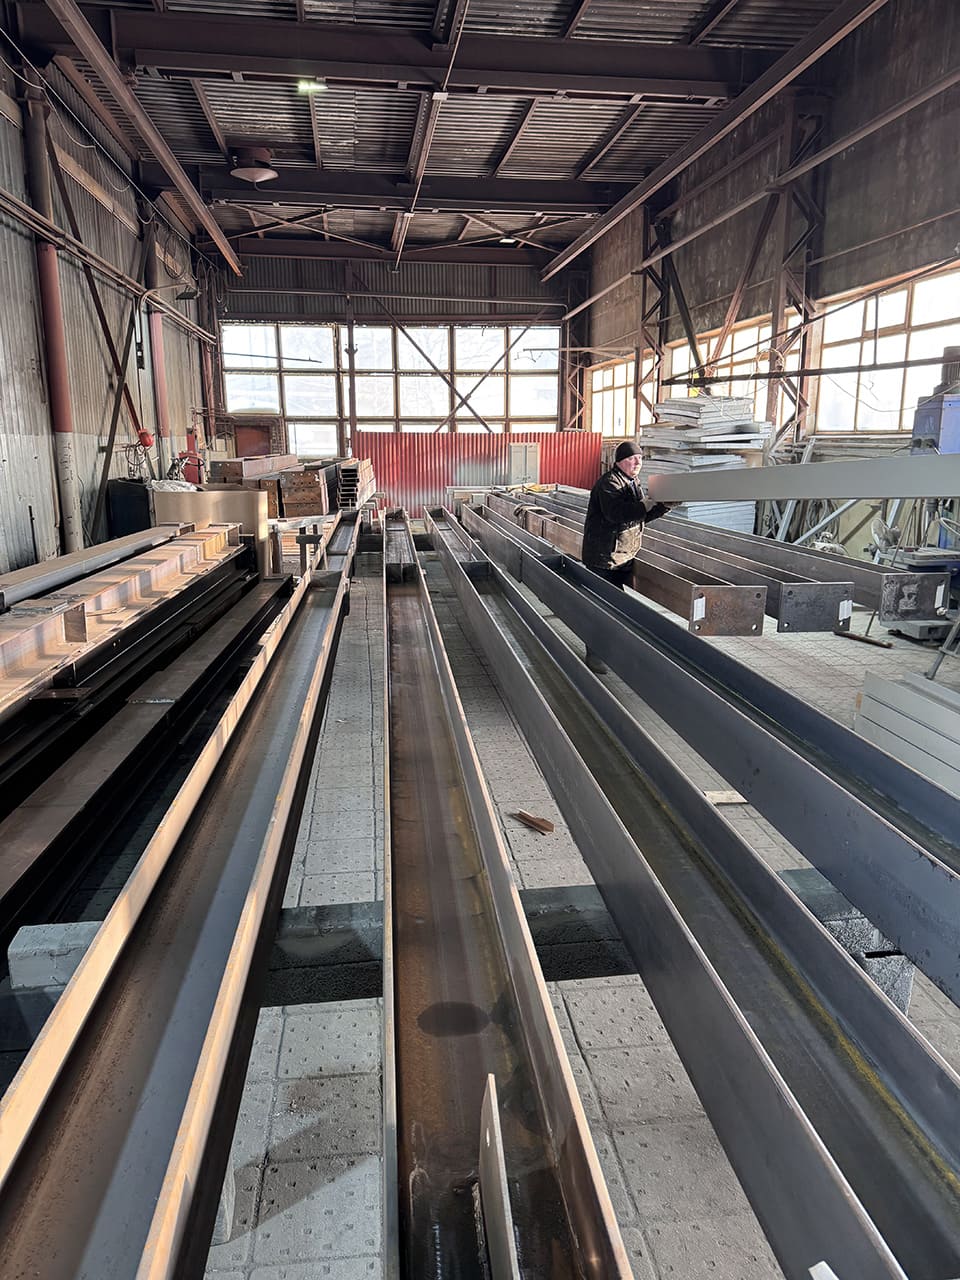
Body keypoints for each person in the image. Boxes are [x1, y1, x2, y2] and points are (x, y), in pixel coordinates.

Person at [581, 439, 673, 672]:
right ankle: (595, 654)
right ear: (620, 461)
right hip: (604, 557)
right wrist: (645, 504)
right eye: (632, 458)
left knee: (616, 607)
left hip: (623, 555)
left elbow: (638, 517)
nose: (637, 462)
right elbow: (616, 514)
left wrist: (663, 507)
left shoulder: (633, 483)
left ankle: (610, 650)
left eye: (640, 458)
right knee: (603, 607)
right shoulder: (609, 483)